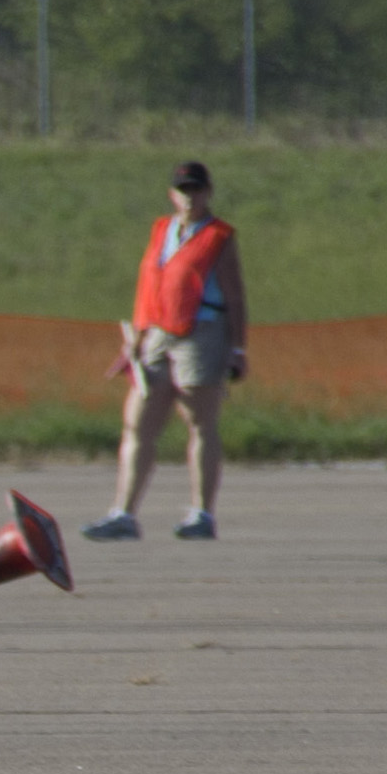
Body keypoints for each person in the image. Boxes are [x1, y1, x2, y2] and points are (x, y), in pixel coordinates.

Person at [83, 161, 248, 543]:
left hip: (202, 331)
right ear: (172, 194)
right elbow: (149, 284)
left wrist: (238, 348)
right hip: (156, 333)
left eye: (196, 190)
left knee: (200, 422)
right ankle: (123, 513)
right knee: (138, 423)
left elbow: (236, 295)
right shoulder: (161, 229)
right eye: (183, 190)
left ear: (208, 193)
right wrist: (136, 340)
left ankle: (202, 513)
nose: (189, 197)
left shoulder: (219, 237)